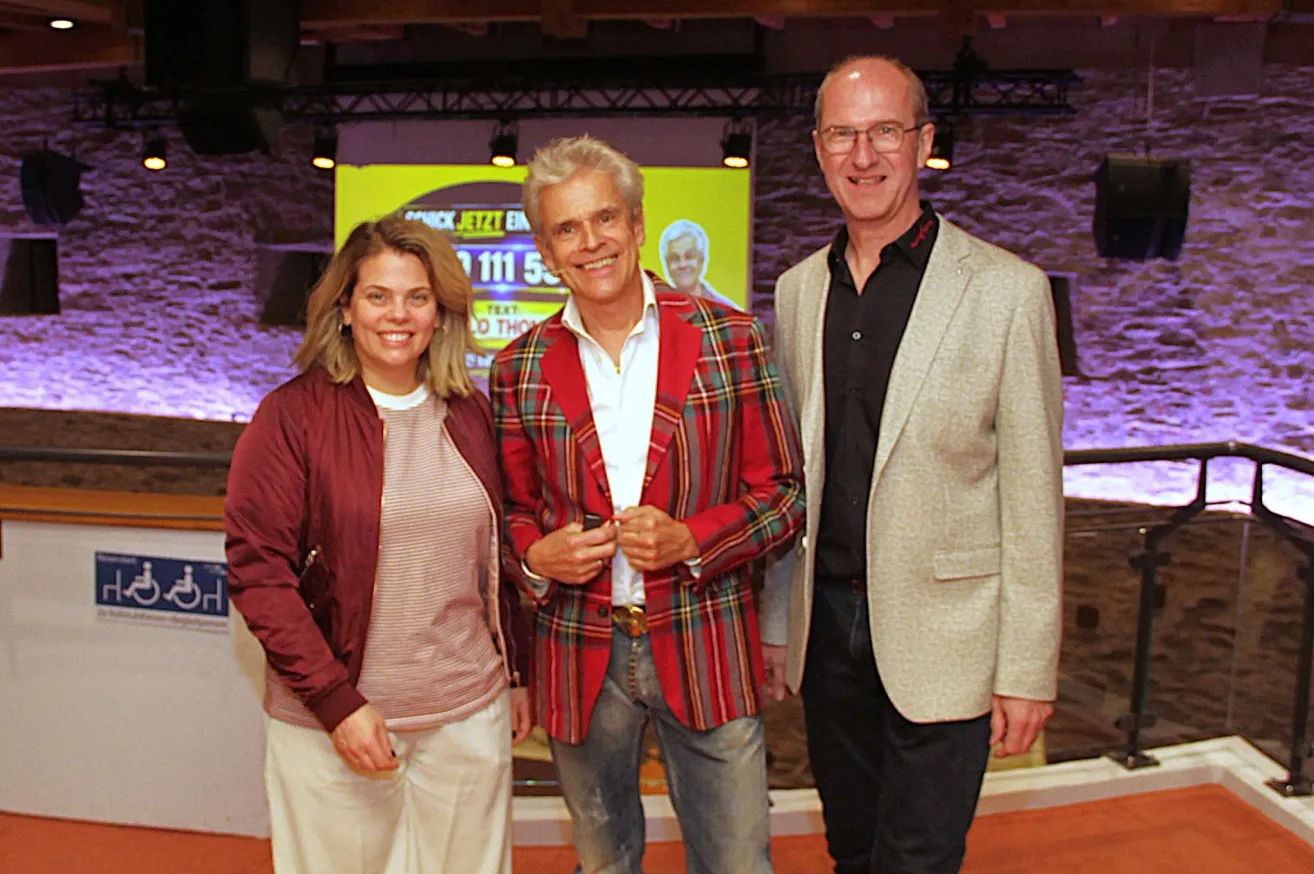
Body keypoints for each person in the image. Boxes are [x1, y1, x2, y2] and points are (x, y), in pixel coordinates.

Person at [762, 56, 1064, 874]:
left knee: (919, 859)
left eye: (885, 131)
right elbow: (798, 477)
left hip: (950, 639)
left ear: (924, 141)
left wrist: (1026, 669)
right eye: (842, 135)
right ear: (819, 148)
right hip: (828, 635)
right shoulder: (795, 293)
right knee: (851, 850)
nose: (864, 157)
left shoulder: (1007, 292)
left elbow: (1034, 500)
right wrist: (776, 623)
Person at [491, 135, 805, 874]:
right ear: (544, 249)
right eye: (567, 228)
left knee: (736, 864)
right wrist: (536, 555)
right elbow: (507, 512)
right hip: (577, 654)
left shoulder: (732, 341)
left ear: (636, 225)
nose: (590, 242)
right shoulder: (518, 368)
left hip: (706, 641)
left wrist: (693, 541)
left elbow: (785, 498)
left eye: (605, 219)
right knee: (604, 864)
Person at [225, 215, 532, 874]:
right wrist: (339, 705)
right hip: (336, 725)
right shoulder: (290, 419)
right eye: (378, 296)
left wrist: (517, 675)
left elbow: (495, 561)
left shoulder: (470, 412)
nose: (399, 315)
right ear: (344, 308)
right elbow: (260, 577)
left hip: (466, 719)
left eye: (417, 297)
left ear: (440, 312)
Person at [657, 218, 741, 310]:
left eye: (689, 256)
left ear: (702, 259)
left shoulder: (728, 312)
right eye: (675, 258)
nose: (682, 264)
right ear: (666, 263)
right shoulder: (655, 311)